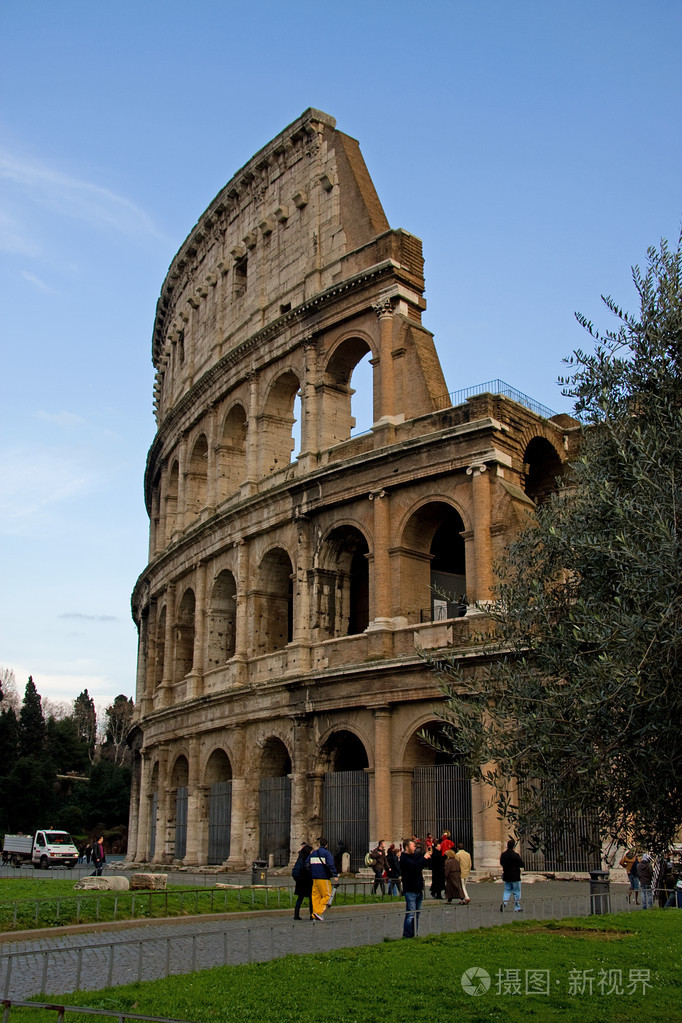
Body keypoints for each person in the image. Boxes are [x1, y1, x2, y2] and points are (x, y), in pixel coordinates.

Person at [399, 837, 432, 938]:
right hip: (410, 889)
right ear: (406, 847)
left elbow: (421, 864)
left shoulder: (414, 856)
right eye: (413, 846)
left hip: (418, 888)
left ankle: (414, 934)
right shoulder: (404, 858)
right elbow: (414, 866)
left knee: (416, 914)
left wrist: (428, 856)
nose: (414, 848)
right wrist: (424, 858)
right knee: (411, 914)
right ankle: (407, 935)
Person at [306, 837, 338, 921]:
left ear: (319, 844)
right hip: (324, 877)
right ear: (326, 845)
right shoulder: (327, 853)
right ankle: (318, 912)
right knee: (327, 895)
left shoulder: (313, 853)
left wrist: (312, 871)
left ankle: (314, 914)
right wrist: (335, 875)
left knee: (315, 896)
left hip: (314, 878)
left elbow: (307, 864)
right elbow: (331, 864)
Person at [499, 838, 524, 912]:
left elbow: (501, 863)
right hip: (515, 876)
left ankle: (504, 903)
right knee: (517, 892)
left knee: (507, 890)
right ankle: (517, 907)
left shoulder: (503, 855)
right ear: (513, 846)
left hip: (506, 875)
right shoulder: (515, 855)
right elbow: (521, 864)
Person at [292, 842, 313, 920]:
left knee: (300, 899)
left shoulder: (300, 858)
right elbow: (308, 870)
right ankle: (312, 914)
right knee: (311, 899)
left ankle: (296, 915)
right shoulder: (307, 859)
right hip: (307, 881)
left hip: (300, 881)